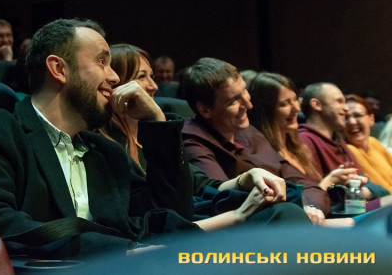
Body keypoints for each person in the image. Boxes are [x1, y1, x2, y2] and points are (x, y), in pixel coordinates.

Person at [0, 19, 204, 259]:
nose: (114, 77)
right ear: (58, 69)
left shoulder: (105, 152)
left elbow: (171, 214)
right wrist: (119, 251)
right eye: (102, 62)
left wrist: (158, 122)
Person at [100, 44, 302, 229]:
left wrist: (248, 177)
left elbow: (201, 185)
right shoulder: (109, 148)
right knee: (285, 213)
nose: (153, 86)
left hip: (195, 224)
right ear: (117, 84)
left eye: (151, 76)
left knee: (288, 204)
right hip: (178, 238)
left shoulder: (147, 138)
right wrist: (239, 215)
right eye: (141, 77)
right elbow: (165, 215)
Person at [180, 58, 331, 222]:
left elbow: (302, 181)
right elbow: (223, 199)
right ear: (205, 109)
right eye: (234, 100)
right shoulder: (192, 139)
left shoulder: (248, 130)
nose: (248, 104)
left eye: (244, 91)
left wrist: (312, 208)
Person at [247, 72, 363, 216]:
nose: (297, 108)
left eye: (295, 100)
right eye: (285, 104)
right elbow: (299, 204)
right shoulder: (264, 155)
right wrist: (329, 182)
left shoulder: (298, 147)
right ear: (265, 111)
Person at [298, 83, 389, 199]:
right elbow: (309, 196)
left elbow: (369, 183)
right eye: (339, 101)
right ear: (316, 104)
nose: (345, 108)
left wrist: (362, 191)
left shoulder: (339, 142)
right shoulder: (304, 141)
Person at [344, 94, 392, 192]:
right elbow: (381, 188)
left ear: (371, 119)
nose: (351, 122)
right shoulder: (346, 150)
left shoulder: (373, 142)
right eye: (346, 118)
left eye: (357, 115)